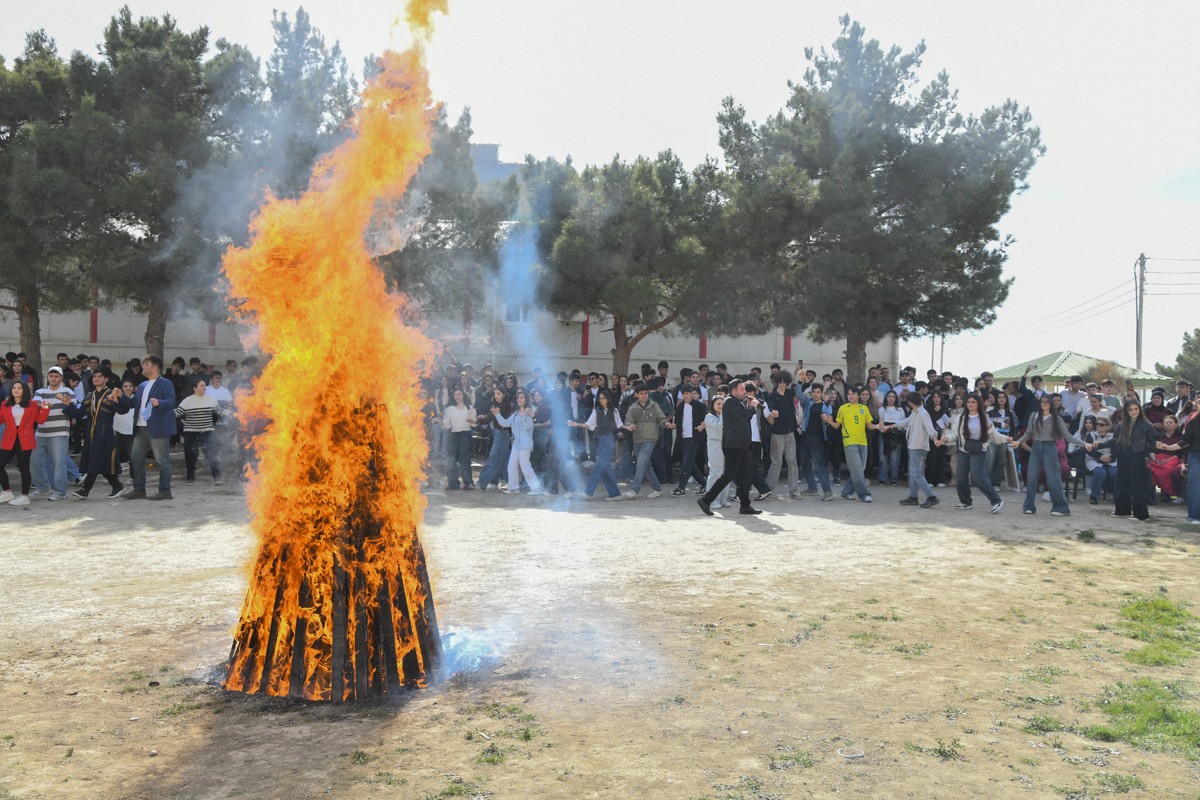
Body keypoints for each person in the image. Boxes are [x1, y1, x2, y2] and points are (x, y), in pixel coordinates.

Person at [1011, 395, 1091, 516]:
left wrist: (1084, 444)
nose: (1044, 404)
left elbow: (1067, 436)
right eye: (1042, 402)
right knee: (1031, 477)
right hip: (1036, 447)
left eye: (1047, 402)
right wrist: (1018, 441)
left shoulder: (1057, 419)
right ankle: (1029, 506)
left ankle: (1061, 508)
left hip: (1050, 447)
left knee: (1053, 478)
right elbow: (1028, 433)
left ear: (1051, 404)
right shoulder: (1034, 416)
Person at [698, 379, 761, 515]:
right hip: (733, 445)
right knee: (728, 475)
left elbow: (744, 418)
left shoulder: (737, 402)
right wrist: (752, 407)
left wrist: (749, 406)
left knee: (745, 476)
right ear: (733, 391)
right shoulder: (729, 402)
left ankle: (745, 506)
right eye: (742, 389)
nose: (744, 392)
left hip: (741, 444)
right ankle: (706, 500)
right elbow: (742, 416)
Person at [117, 355, 176, 501]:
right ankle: (139, 489)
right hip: (141, 427)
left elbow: (171, 401)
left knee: (162, 460)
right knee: (136, 457)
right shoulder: (143, 385)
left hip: (157, 428)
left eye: (146, 364)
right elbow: (133, 404)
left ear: (155, 367)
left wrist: (158, 402)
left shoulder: (165, 383)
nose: (143, 366)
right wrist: (120, 396)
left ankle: (165, 491)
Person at [61, 370, 126, 499]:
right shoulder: (89, 396)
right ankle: (117, 485)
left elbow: (122, 410)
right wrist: (68, 405)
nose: (96, 379)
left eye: (99, 376)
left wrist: (118, 400)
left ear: (106, 379)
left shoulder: (111, 394)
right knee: (99, 462)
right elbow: (79, 414)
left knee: (95, 461)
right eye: (94, 376)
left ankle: (85, 490)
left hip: (105, 434)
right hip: (91, 434)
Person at [880, 391, 943, 509]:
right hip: (914, 446)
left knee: (916, 473)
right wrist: (889, 426)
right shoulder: (916, 413)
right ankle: (913, 497)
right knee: (914, 473)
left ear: (910, 402)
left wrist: (935, 439)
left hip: (918, 446)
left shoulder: (923, 413)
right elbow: (904, 422)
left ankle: (931, 497)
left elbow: (931, 428)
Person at [952, 394, 1004, 513]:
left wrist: (1006, 439)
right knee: (960, 476)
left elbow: (993, 434)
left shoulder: (984, 417)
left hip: (978, 449)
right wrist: (946, 438)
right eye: (968, 401)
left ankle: (996, 500)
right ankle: (965, 502)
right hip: (964, 449)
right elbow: (955, 433)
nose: (970, 404)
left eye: (973, 402)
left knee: (977, 475)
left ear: (978, 404)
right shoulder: (961, 416)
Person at [0, 381, 50, 505]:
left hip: (25, 439)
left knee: (24, 468)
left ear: (24, 390)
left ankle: (24, 496)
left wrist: (45, 408)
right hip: (9, 439)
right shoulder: (5, 404)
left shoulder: (32, 404)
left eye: (19, 388)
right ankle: (7, 492)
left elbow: (40, 420)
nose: (16, 390)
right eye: (14, 388)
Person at [824, 385, 876, 502]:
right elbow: (837, 425)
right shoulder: (843, 408)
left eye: (852, 394)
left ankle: (846, 491)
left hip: (863, 442)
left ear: (858, 395)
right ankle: (864, 494)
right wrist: (830, 422)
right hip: (849, 441)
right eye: (848, 394)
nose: (850, 396)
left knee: (860, 469)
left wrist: (878, 426)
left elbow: (869, 426)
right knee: (857, 469)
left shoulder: (864, 408)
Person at [1110, 399, 1158, 521]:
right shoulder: (1121, 425)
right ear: (1126, 411)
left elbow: (1154, 440)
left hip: (1138, 455)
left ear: (1140, 409)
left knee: (1137, 484)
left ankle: (1140, 514)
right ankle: (1122, 510)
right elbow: (1114, 441)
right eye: (1130, 409)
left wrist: (1149, 452)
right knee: (1122, 482)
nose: (1134, 411)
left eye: (1136, 409)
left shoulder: (1146, 425)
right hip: (1123, 455)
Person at [30, 366, 74, 501]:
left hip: (60, 432)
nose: (53, 378)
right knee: (34, 461)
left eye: (56, 376)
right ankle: (43, 488)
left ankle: (61, 492)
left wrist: (63, 401)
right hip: (41, 432)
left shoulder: (67, 391)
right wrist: (43, 405)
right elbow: (35, 405)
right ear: (47, 377)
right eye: (51, 376)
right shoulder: (40, 391)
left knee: (59, 463)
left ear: (61, 378)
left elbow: (72, 407)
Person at [571, 388, 623, 500]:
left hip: (609, 441)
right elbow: (588, 424)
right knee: (605, 469)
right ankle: (615, 494)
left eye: (603, 398)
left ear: (608, 399)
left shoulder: (614, 411)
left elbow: (620, 424)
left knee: (599, 467)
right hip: (601, 441)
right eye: (600, 398)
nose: (601, 400)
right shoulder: (596, 411)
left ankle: (588, 492)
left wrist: (628, 427)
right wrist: (577, 424)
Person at [624, 384, 673, 499]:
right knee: (646, 466)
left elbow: (661, 418)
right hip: (637, 439)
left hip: (650, 439)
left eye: (645, 393)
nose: (644, 395)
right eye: (641, 393)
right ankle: (657, 489)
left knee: (640, 464)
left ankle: (634, 490)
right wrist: (630, 425)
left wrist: (666, 423)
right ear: (636, 394)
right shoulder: (633, 408)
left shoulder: (654, 406)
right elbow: (627, 420)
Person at [493, 388, 544, 496]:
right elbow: (506, 424)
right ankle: (513, 488)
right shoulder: (516, 413)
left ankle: (537, 488)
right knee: (511, 465)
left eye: (522, 397)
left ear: (526, 399)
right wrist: (497, 414)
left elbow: (528, 426)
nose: (519, 399)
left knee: (525, 466)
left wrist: (527, 417)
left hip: (525, 444)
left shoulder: (529, 412)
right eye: (518, 398)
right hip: (516, 444)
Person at [175, 379, 224, 484]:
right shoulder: (187, 401)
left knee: (212, 454)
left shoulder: (211, 399)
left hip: (207, 431)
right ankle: (190, 478)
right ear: (195, 388)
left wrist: (231, 413)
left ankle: (217, 477)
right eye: (201, 386)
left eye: (205, 385)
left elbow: (220, 411)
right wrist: (162, 411)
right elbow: (177, 413)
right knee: (191, 455)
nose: (204, 387)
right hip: (191, 432)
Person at [1157, 406, 1200, 524]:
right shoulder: (1193, 422)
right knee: (1196, 486)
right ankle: (1194, 516)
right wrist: (1170, 447)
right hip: (1196, 455)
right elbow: (1185, 441)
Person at [763, 371, 800, 499]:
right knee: (776, 462)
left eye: (784, 382)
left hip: (790, 431)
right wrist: (773, 412)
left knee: (792, 462)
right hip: (777, 432)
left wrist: (800, 376)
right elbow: (770, 407)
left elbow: (800, 390)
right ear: (777, 382)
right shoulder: (772, 396)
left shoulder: (790, 393)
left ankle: (793, 490)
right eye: (780, 382)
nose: (782, 384)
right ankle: (768, 489)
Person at [671, 385, 708, 495]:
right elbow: (678, 421)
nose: (685, 396)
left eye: (687, 393)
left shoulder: (700, 406)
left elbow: (706, 419)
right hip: (683, 437)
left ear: (692, 393)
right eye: (684, 394)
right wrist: (673, 426)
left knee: (686, 463)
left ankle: (681, 488)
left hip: (694, 438)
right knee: (690, 463)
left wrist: (701, 427)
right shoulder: (681, 406)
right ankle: (705, 484)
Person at [441, 387, 476, 490]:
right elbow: (446, 425)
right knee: (451, 460)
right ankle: (453, 484)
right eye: (455, 394)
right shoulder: (449, 409)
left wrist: (472, 421)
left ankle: (468, 483)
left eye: (459, 394)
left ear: (463, 395)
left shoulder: (469, 408)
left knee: (465, 461)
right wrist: (440, 422)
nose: (457, 396)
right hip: (454, 435)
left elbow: (474, 423)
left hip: (465, 435)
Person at [1084, 416, 1117, 504]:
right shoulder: (1091, 435)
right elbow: (1089, 450)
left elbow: (1116, 449)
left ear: (1107, 426)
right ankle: (1094, 496)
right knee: (1100, 473)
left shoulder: (1113, 436)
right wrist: (1101, 457)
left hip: (1111, 460)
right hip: (1094, 459)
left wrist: (1110, 456)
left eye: (1101, 424)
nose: (1098, 426)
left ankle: (1118, 495)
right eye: (1097, 424)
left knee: (1116, 473)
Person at [703, 394, 727, 509]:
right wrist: (724, 414)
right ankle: (712, 500)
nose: (721, 406)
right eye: (718, 404)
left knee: (726, 473)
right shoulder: (709, 417)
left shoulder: (725, 416)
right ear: (712, 405)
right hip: (715, 444)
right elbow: (720, 426)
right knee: (715, 473)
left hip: (726, 444)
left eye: (723, 404)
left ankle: (723, 500)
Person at [877, 390, 906, 486]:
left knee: (894, 459)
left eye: (893, 397)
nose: (891, 398)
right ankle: (883, 478)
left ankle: (894, 479)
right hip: (884, 434)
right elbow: (880, 422)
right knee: (882, 458)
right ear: (886, 398)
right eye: (889, 396)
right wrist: (883, 429)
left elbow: (902, 424)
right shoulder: (881, 409)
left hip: (895, 435)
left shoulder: (900, 410)